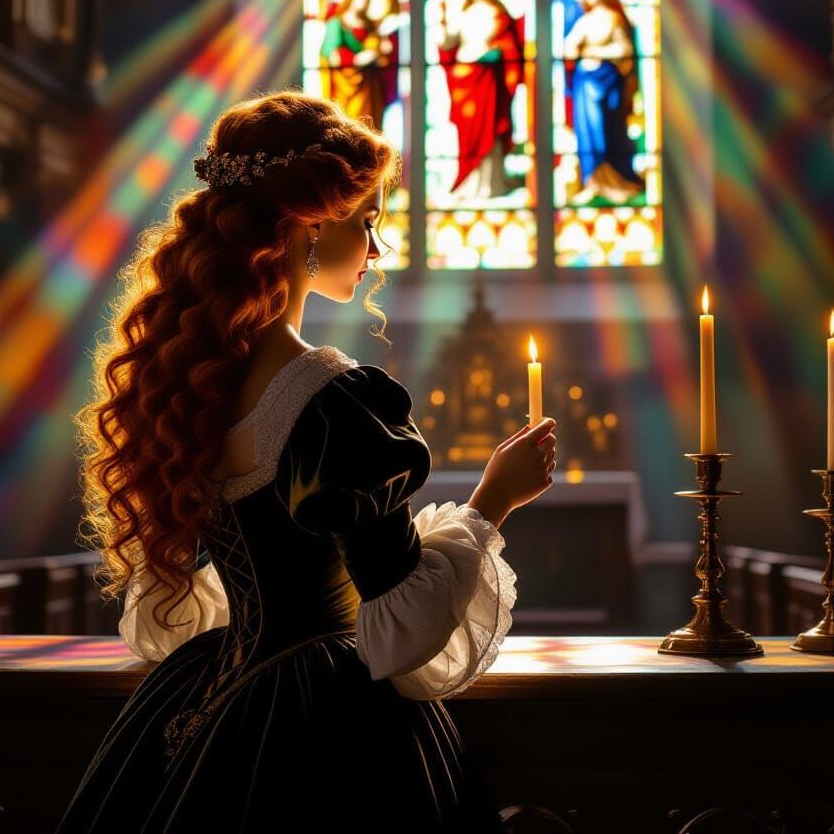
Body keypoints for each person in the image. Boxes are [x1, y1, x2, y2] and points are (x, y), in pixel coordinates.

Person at [54, 90, 558, 833]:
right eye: (370, 222)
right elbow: (399, 629)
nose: (379, 251)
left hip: (214, 697)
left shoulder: (194, 380)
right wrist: (495, 500)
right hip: (330, 724)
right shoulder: (337, 400)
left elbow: (183, 609)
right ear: (310, 228)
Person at [439, 0, 524, 200]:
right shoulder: (463, 15)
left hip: (488, 79)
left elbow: (509, 49)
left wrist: (494, 54)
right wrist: (444, 20)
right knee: (468, 133)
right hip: (465, 80)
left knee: (489, 129)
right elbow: (448, 44)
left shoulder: (498, 14)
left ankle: (490, 185)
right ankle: (469, 183)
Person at [565, 0, 645, 205]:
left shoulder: (615, 19)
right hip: (586, 83)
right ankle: (593, 181)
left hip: (608, 82)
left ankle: (615, 180)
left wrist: (599, 52)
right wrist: (582, 51)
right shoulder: (585, 21)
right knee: (588, 133)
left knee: (607, 129)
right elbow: (569, 47)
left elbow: (625, 48)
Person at [319, 0, 389, 130]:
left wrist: (377, 52)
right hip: (345, 82)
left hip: (368, 83)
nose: (363, 2)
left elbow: (380, 50)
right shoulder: (337, 23)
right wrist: (357, 60)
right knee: (348, 122)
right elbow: (331, 54)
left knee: (369, 122)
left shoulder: (370, 25)